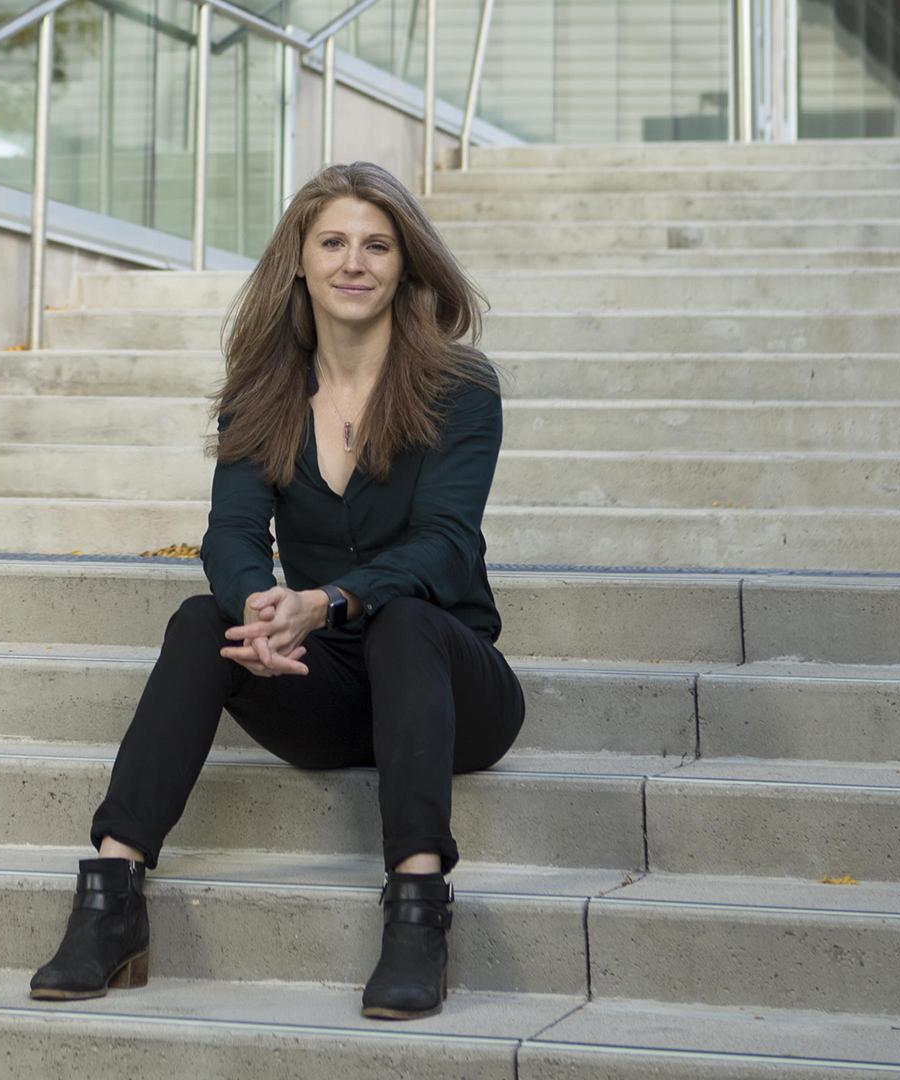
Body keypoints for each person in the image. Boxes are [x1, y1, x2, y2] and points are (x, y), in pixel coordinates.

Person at [28, 161, 526, 1021]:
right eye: (332, 242)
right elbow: (229, 532)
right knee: (199, 622)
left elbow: (446, 546)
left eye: (377, 244)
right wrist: (262, 603)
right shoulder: (264, 390)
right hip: (330, 692)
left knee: (403, 621)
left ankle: (416, 915)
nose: (354, 262)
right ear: (299, 259)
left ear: (406, 264)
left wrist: (325, 602)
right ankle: (112, 897)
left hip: (451, 684)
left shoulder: (460, 388)